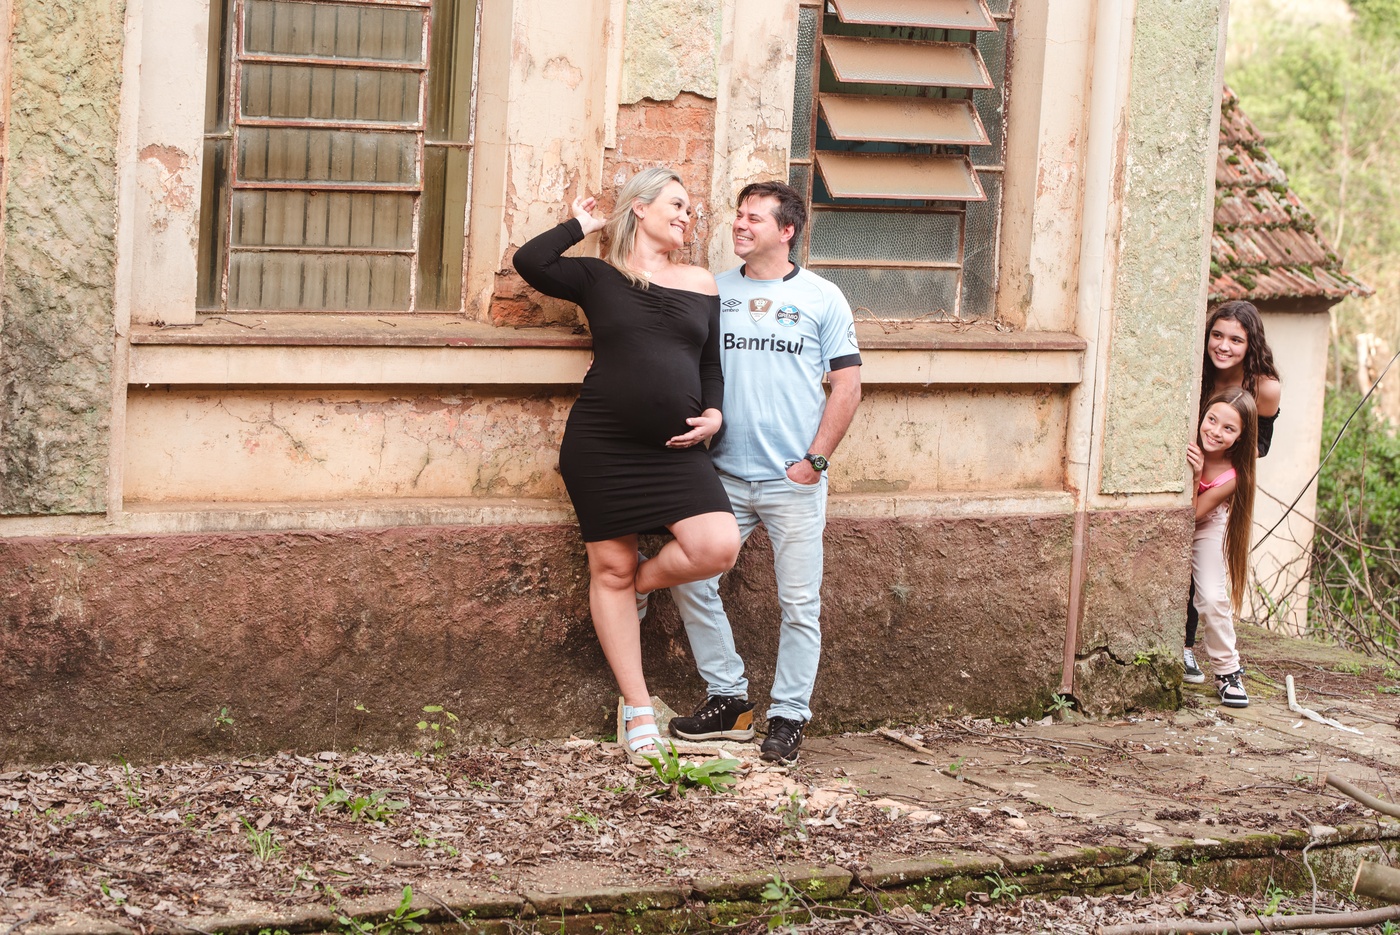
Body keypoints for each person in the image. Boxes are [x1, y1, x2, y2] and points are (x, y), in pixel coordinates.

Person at [512, 167, 741, 757]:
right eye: (677, 204)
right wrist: (583, 224)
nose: (687, 216)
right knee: (608, 569)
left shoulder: (700, 282)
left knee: (717, 546)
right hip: (603, 446)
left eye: (690, 209)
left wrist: (714, 415)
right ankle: (638, 710)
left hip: (676, 452)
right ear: (640, 207)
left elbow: (710, 364)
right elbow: (531, 262)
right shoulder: (598, 276)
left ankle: (632, 586)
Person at [665, 181, 862, 764]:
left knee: (799, 604)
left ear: (786, 230)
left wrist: (814, 462)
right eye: (739, 215)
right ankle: (729, 698)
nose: (740, 224)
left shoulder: (823, 297)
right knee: (691, 579)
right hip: (721, 475)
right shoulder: (713, 290)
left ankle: (788, 716)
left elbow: (847, 386)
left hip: (791, 481)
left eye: (754, 218)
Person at [1183, 301, 1281, 683]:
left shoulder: (1263, 388)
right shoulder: (1197, 370)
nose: (1223, 346)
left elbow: (1259, 447)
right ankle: (1183, 644)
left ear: (1251, 344)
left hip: (1221, 479)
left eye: (1236, 340)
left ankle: (1213, 661)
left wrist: (1219, 472)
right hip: (1188, 466)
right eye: (1217, 335)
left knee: (1206, 572)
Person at [1185, 387, 1259, 708]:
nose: (1215, 431)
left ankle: (1228, 672)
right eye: (1212, 420)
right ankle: (1182, 651)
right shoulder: (1186, 437)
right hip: (1173, 518)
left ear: (1240, 437)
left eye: (1229, 428)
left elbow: (1191, 516)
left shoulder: (1233, 475)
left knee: (1212, 597)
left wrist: (1196, 476)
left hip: (1207, 523)